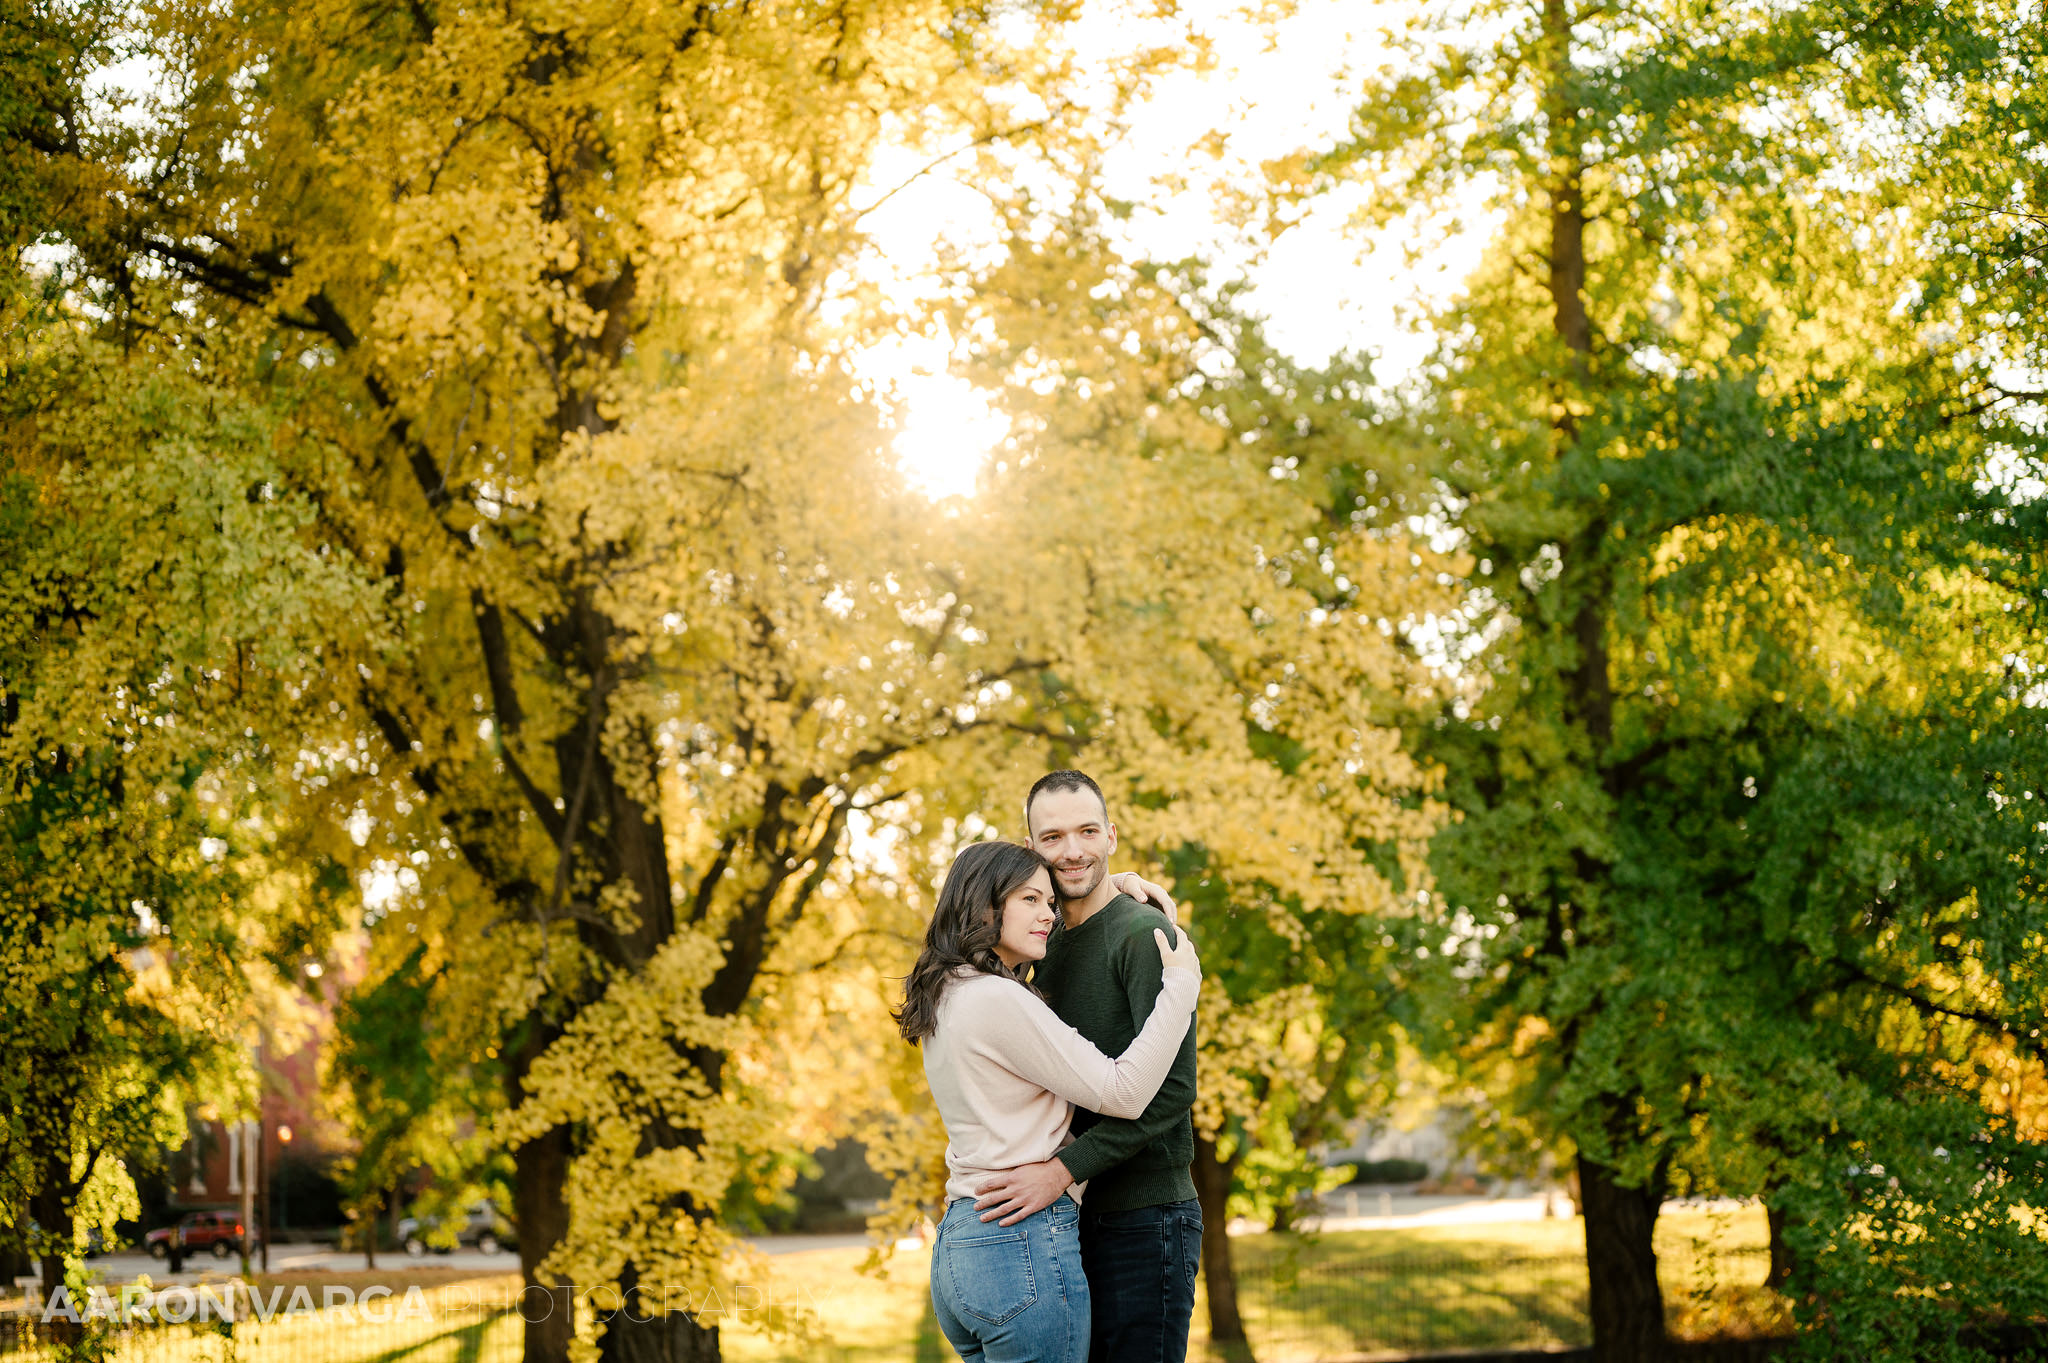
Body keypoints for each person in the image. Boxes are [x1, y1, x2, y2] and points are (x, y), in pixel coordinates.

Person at [899, 839, 1201, 1363]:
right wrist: (1179, 986)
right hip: (1018, 1244)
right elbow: (1124, 1093)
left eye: (1050, 902)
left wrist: (1121, 886)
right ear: (985, 905)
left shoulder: (948, 990)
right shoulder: (998, 998)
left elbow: (1079, 909)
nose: (1049, 916)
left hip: (964, 1244)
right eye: (1031, 900)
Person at [972, 770, 1202, 1363]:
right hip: (1066, 1223)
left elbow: (1173, 1093)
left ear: (1112, 836)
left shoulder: (1142, 932)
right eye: (1052, 838)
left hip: (1146, 1215)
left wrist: (1061, 1170)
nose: (1072, 851)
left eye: (1087, 832)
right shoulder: (1037, 943)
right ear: (1030, 849)